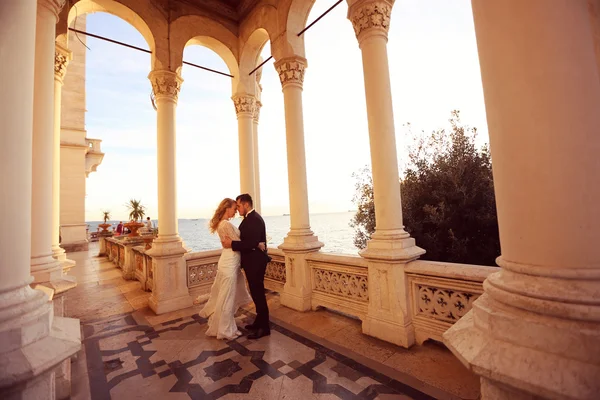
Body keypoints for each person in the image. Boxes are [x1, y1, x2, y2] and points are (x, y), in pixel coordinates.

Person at [199, 198, 253, 340]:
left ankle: (222, 326)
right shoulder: (226, 224)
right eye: (234, 209)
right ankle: (225, 330)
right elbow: (238, 243)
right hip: (229, 262)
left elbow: (231, 243)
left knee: (225, 295)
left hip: (228, 260)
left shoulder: (221, 224)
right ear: (227, 208)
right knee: (228, 296)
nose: (235, 212)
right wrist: (254, 242)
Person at [222, 193, 271, 339]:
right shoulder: (248, 219)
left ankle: (265, 327)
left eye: (238, 205)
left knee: (259, 295)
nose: (237, 209)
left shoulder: (254, 219)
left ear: (246, 205)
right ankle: (259, 321)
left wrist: (232, 244)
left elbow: (251, 243)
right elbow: (252, 241)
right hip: (251, 262)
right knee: (256, 293)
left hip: (256, 262)